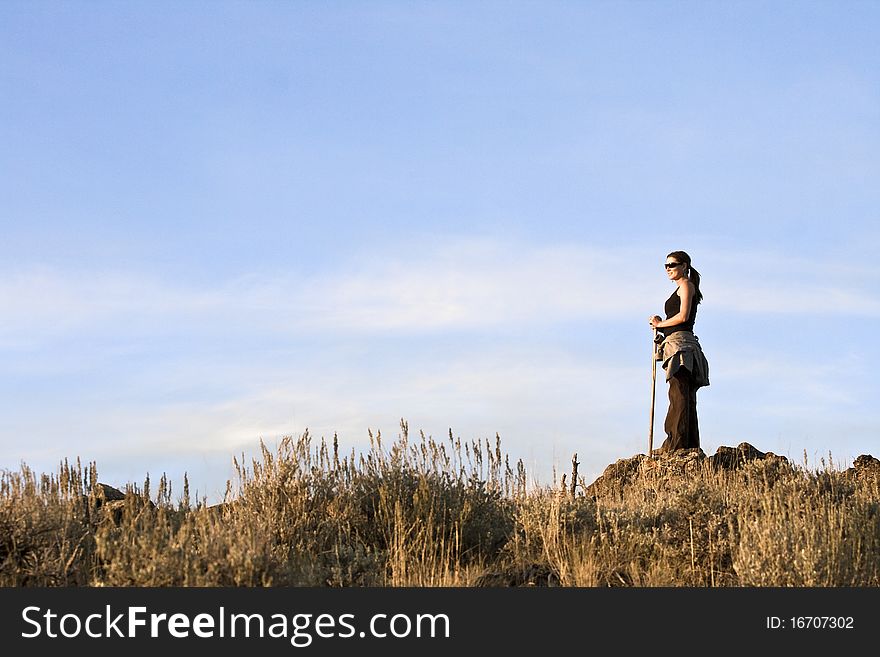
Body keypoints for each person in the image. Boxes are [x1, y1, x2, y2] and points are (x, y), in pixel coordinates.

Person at [649, 251, 709, 453]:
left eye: (672, 264)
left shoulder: (685, 285)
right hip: (679, 344)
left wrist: (660, 323)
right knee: (684, 394)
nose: (668, 268)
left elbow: (683, 316)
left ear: (684, 266)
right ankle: (688, 444)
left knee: (679, 394)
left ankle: (676, 445)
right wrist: (661, 326)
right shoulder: (684, 287)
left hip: (681, 346)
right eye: (665, 265)